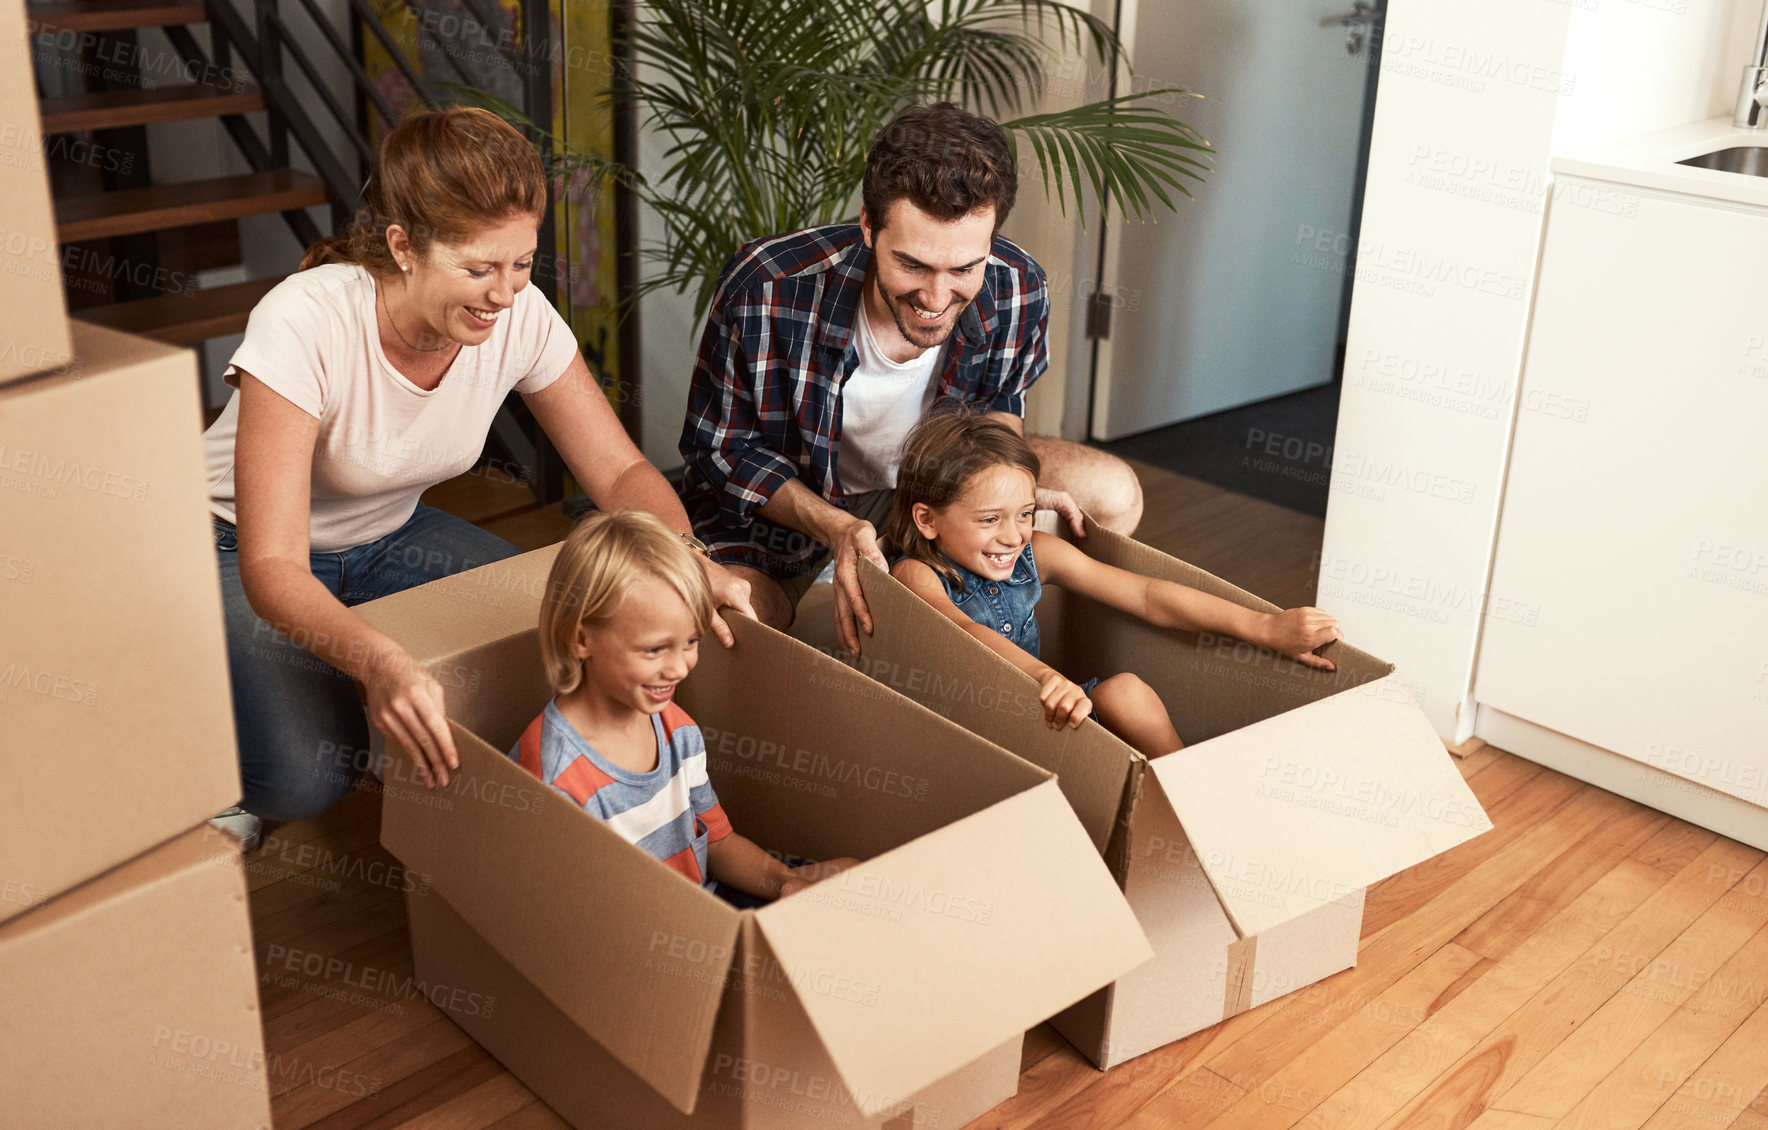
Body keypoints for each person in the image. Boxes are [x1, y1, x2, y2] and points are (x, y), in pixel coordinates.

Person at [205, 107, 754, 838]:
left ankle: (337, 686)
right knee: (306, 779)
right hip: (231, 543)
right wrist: (380, 661)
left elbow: (620, 471)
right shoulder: (307, 321)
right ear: (403, 247)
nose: (505, 293)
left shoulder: (520, 317)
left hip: (387, 534)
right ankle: (214, 727)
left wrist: (686, 562)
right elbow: (274, 563)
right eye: (478, 268)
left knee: (559, 653)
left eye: (522, 263)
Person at [679, 101, 1144, 655]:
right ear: (868, 226)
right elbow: (722, 449)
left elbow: (999, 402)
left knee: (1112, 492)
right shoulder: (766, 287)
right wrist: (834, 525)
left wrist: (1007, 482)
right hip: (789, 507)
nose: (936, 298)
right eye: (913, 265)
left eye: (964, 268)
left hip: (935, 491)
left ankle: (1042, 640)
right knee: (733, 623)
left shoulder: (1019, 286)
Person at [883, 410, 1342, 758]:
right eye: (989, 519)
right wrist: (1045, 676)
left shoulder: (1035, 553)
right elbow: (965, 633)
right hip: (970, 736)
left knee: (1126, 691)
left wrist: (1264, 627)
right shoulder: (916, 573)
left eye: (1024, 513)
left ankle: (1187, 796)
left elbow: (1146, 596)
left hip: (1046, 713)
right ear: (927, 520)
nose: (1012, 534)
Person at [511, 511, 856, 898]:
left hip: (705, 901)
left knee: (852, 874)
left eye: (691, 642)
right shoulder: (555, 774)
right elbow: (573, 912)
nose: (679, 668)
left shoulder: (676, 727)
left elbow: (717, 842)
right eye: (655, 649)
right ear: (580, 639)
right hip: (647, 933)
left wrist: (782, 882)